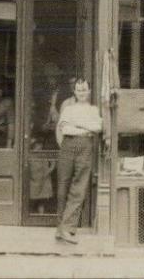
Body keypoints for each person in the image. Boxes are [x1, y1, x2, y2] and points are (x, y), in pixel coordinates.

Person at [55, 79, 102, 244]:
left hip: (85, 147)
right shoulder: (68, 108)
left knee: (79, 187)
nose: (82, 93)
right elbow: (65, 128)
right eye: (78, 90)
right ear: (74, 92)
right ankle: (61, 228)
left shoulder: (94, 109)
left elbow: (97, 128)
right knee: (63, 185)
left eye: (84, 90)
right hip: (68, 145)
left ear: (89, 91)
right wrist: (86, 127)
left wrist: (77, 124)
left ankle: (67, 228)